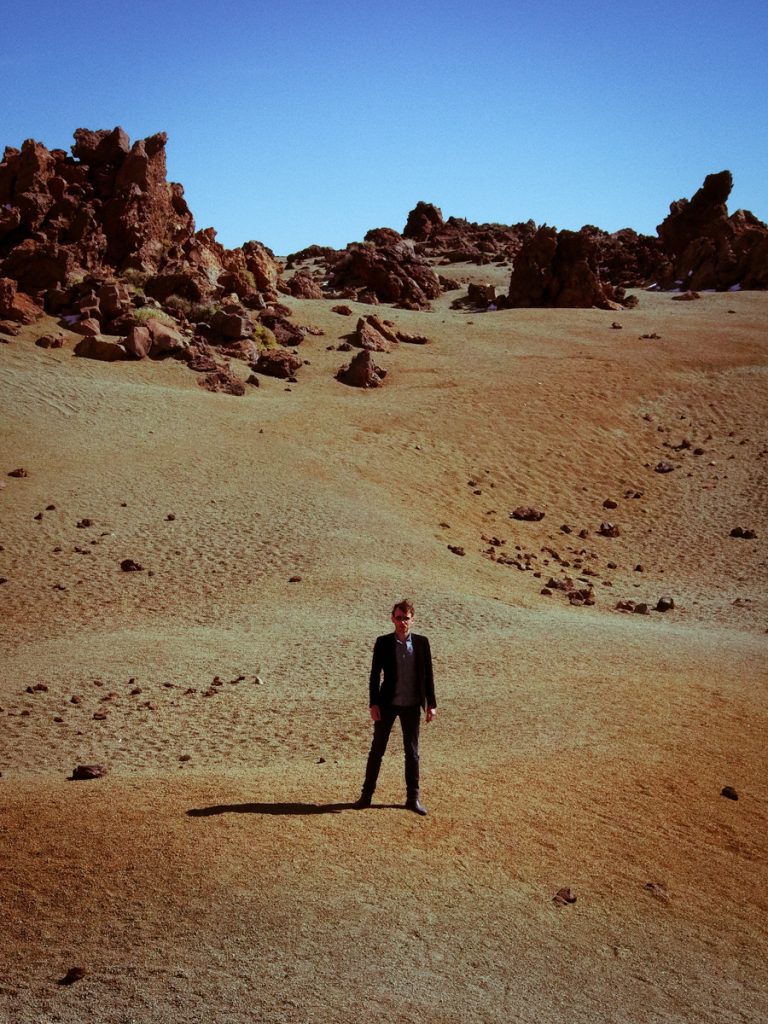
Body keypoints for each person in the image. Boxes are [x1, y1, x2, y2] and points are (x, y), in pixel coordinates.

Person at [355, 599, 437, 815]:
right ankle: (366, 796)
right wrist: (373, 703)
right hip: (387, 705)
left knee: (412, 753)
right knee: (377, 751)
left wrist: (431, 704)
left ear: (412, 619)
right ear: (392, 619)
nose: (402, 622)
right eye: (399, 618)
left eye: (406, 618)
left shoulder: (422, 643)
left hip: (412, 705)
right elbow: (375, 675)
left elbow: (428, 675)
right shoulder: (383, 642)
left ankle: (413, 799)